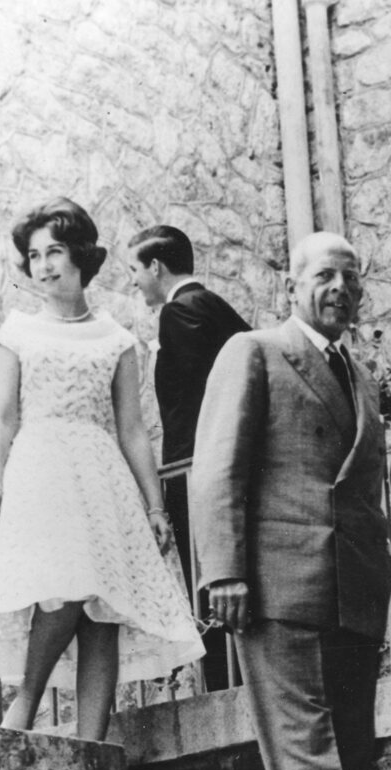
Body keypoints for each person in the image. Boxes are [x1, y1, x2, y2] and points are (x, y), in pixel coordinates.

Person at [191, 231, 391, 770]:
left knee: (340, 756)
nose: (339, 287)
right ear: (293, 287)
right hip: (277, 589)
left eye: (350, 276)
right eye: (324, 275)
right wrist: (224, 572)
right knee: (308, 756)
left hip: (353, 597)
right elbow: (216, 467)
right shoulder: (255, 352)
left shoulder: (359, 377)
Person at [0, 198, 204, 742]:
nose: (45, 265)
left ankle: (93, 745)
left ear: (80, 256)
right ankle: (24, 707)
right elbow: (0, 420)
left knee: (104, 614)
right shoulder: (17, 332)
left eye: (55, 251)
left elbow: (133, 431)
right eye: (35, 255)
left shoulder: (116, 339)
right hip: (42, 474)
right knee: (64, 590)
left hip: (102, 479)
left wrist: (154, 506)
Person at [128, 225, 250, 687]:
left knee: (208, 576)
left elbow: (194, 405)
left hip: (198, 471)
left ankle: (223, 682)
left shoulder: (180, 312)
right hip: (224, 467)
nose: (135, 282)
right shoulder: (214, 306)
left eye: (134, 271)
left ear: (156, 267)